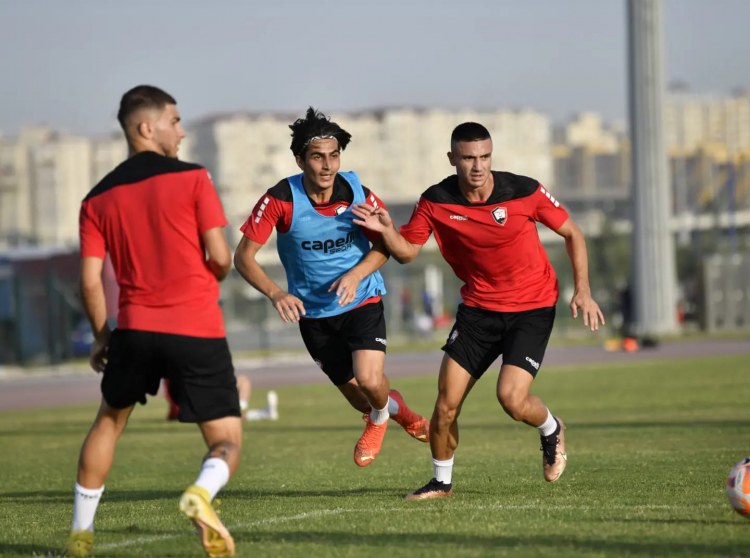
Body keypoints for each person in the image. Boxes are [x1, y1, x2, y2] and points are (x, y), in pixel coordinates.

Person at [352, 122, 605, 499]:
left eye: (485, 157)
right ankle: (441, 482)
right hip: (478, 312)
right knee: (445, 406)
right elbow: (406, 253)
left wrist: (583, 289)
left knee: (512, 400)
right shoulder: (436, 200)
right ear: (452, 159)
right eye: (469, 158)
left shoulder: (524, 190)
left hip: (532, 308)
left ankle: (551, 428)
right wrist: (387, 231)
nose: (478, 166)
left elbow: (573, 233)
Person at [67, 85, 241, 558]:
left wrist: (101, 336)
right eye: (175, 121)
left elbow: (88, 282)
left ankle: (81, 538)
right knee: (226, 439)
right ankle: (200, 493)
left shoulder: (96, 198)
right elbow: (221, 257)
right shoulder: (194, 177)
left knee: (108, 422)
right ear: (147, 127)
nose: (181, 132)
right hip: (196, 327)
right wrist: (211, 273)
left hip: (135, 330)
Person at [234, 107, 429, 468]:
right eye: (317, 157)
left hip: (361, 299)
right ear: (299, 160)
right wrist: (276, 293)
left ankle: (380, 417)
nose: (327, 166)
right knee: (361, 399)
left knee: (370, 379)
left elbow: (385, 246)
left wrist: (356, 275)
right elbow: (243, 257)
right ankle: (395, 410)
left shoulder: (358, 194)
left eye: (334, 156)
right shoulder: (280, 198)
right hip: (313, 313)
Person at [165, 374, 279, 421]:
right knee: (243, 381)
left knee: (243, 381)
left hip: (198, 402)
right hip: (198, 404)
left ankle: (261, 413)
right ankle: (246, 408)